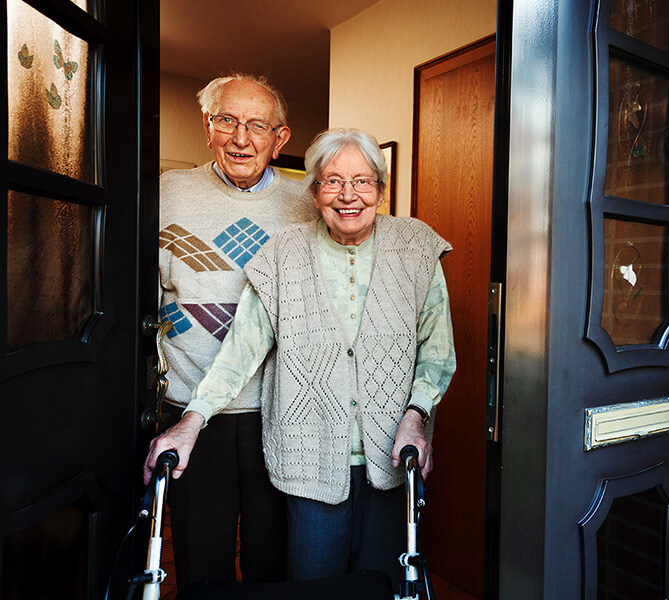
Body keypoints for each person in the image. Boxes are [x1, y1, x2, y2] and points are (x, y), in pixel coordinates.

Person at [145, 128, 456, 587]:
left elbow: (438, 351)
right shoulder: (281, 255)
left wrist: (416, 415)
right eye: (332, 181)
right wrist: (191, 422)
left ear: (381, 189)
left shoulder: (416, 247)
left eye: (363, 181)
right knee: (314, 584)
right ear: (313, 192)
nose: (348, 195)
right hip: (310, 460)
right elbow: (241, 350)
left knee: (384, 585)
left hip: (393, 457)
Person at [149, 73, 317, 590]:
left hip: (279, 409)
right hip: (191, 409)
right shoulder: (163, 193)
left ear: (280, 138)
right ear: (207, 127)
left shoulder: (308, 206)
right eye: (227, 121)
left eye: (257, 125)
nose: (241, 138)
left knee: (274, 560)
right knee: (202, 560)